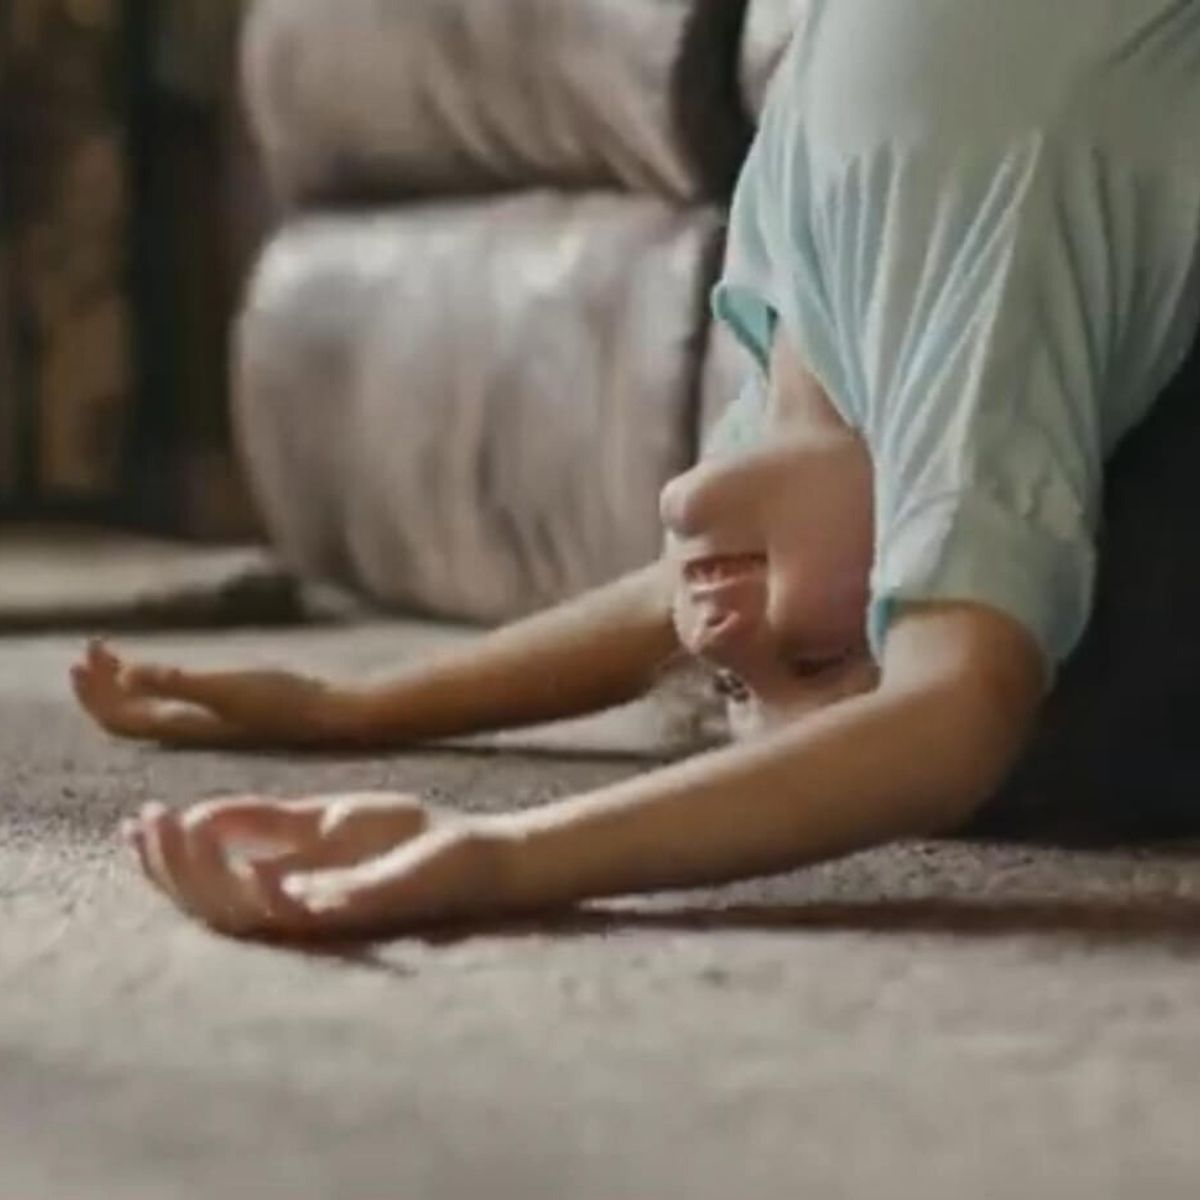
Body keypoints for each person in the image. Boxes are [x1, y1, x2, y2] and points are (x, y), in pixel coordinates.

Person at [73, 0, 1200, 938]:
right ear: (947, 515)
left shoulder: (827, 358)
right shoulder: (978, 291)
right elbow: (952, 709)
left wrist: (364, 722)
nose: (718, 638)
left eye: (727, 691)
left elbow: (678, 594)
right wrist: (480, 840)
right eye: (810, 657)